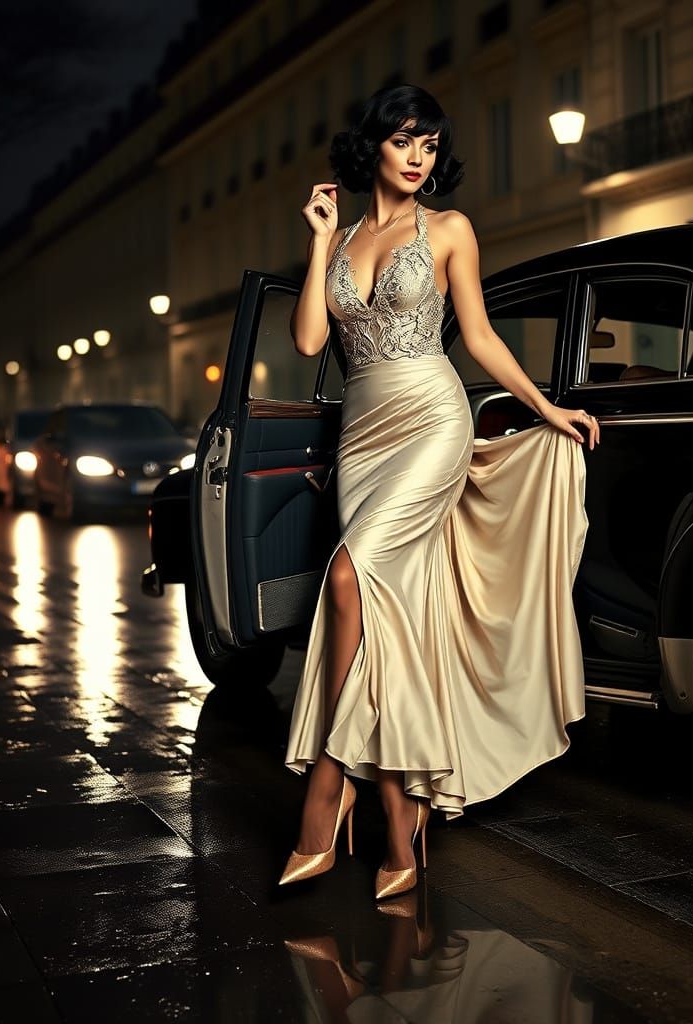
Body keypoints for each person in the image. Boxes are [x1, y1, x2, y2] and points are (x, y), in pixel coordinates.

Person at [280, 83, 600, 901]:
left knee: (350, 577)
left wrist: (543, 406)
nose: (419, 156)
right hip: (362, 435)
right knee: (390, 619)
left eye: (429, 143)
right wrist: (318, 243)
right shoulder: (345, 234)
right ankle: (399, 817)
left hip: (431, 420)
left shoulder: (450, 230)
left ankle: (327, 785)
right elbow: (311, 338)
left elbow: (481, 336)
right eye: (404, 141)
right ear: (373, 149)